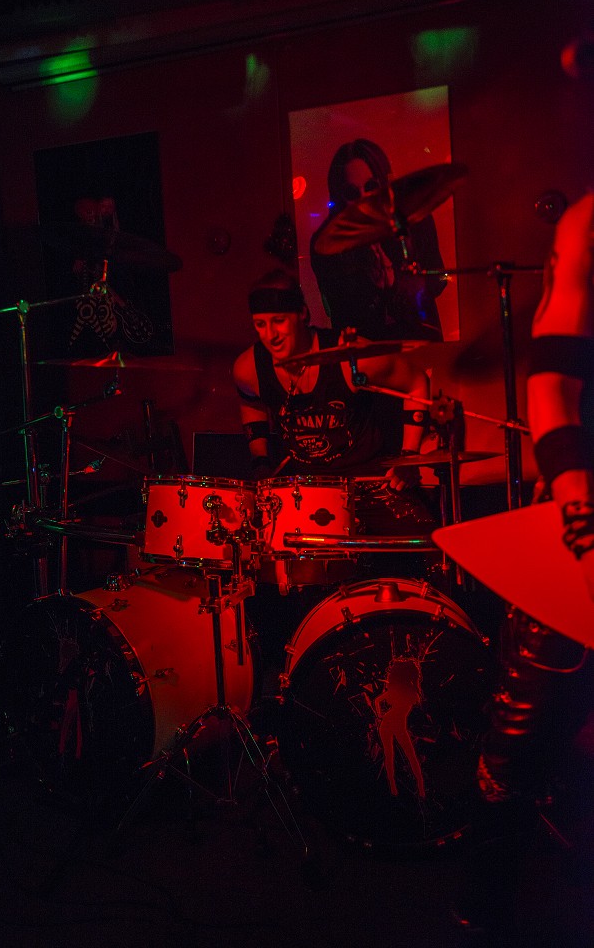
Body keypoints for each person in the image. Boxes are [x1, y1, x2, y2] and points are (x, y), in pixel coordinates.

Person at [476, 192, 594, 806]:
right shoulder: (587, 223)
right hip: (584, 509)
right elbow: (551, 386)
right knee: (516, 759)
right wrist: (581, 518)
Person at [232, 268, 431, 488]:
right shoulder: (248, 368)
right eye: (260, 324)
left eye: (279, 321)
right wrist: (260, 460)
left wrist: (409, 457)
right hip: (304, 489)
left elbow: (416, 383)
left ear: (302, 313)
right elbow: (250, 402)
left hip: (366, 483)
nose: (270, 335)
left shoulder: (350, 358)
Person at [310, 138, 447, 341]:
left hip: (420, 341)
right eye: (351, 192)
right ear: (339, 195)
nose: (364, 198)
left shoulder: (414, 220)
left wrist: (401, 281)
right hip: (365, 350)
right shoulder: (328, 243)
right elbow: (339, 312)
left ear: (385, 182)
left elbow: (439, 281)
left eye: (371, 186)